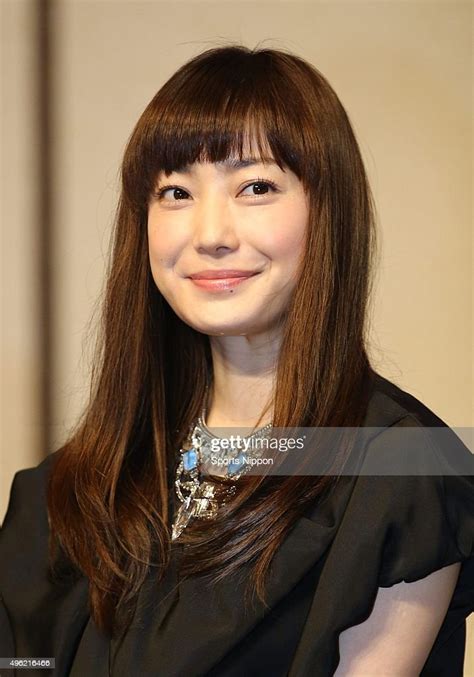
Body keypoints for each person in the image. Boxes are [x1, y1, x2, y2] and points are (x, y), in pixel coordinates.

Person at [0, 44, 473, 677]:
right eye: (174, 191)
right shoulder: (65, 494)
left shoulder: (402, 475)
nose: (210, 233)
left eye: (255, 186)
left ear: (327, 212)